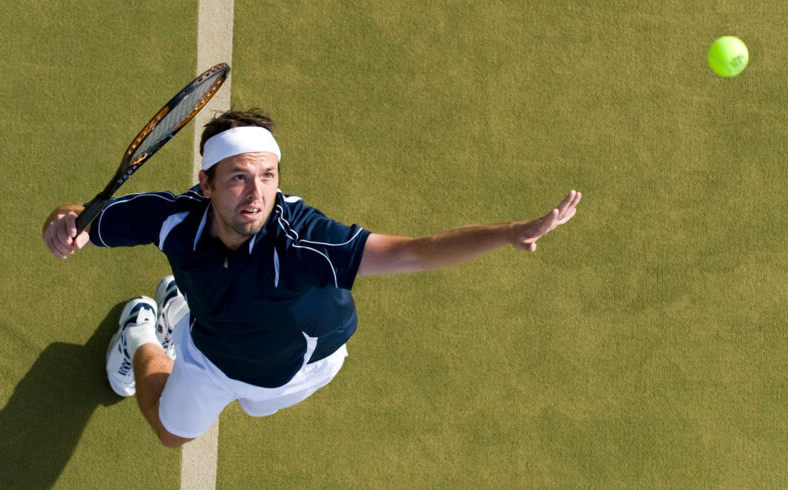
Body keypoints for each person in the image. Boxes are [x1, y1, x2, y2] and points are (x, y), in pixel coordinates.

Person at [43, 109, 582, 447]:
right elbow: (81, 216)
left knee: (256, 407)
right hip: (212, 357)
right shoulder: (172, 219)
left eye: (268, 176)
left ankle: (178, 304)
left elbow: (414, 254)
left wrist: (508, 232)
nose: (256, 194)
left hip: (303, 364)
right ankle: (141, 334)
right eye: (238, 179)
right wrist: (65, 226)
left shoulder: (303, 242)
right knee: (168, 430)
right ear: (205, 184)